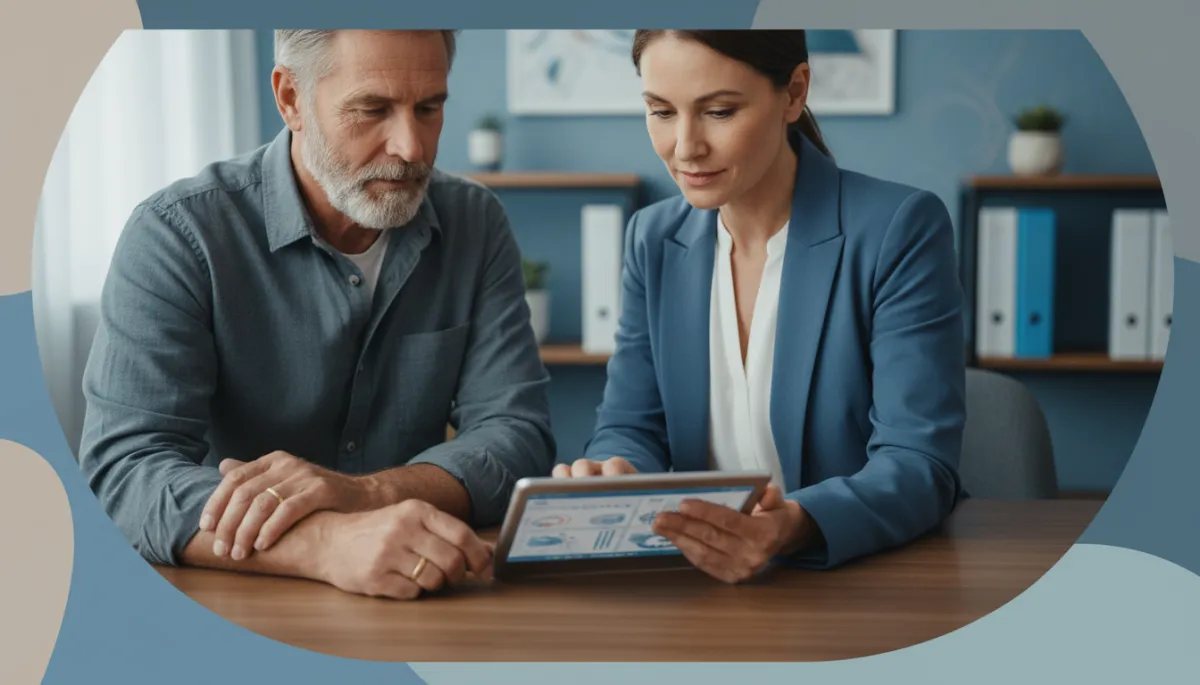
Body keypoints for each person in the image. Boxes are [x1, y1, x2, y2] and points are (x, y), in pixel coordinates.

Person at [77, 29, 556, 600]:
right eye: (372, 109)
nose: (411, 147)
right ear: (290, 99)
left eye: (429, 108)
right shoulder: (178, 234)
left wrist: (370, 494)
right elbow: (126, 473)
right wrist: (327, 541)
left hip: (430, 592)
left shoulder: (475, 222)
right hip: (233, 599)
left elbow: (517, 434)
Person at [553, 30, 966, 583]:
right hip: (700, 587)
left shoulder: (898, 228)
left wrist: (794, 524)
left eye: (719, 112)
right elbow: (631, 424)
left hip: (855, 583)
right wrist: (620, 471)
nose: (685, 146)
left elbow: (920, 465)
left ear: (794, 93)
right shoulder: (652, 239)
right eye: (660, 111)